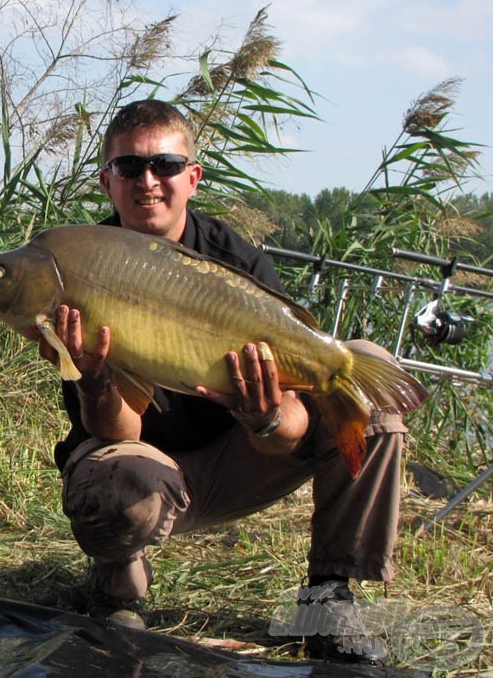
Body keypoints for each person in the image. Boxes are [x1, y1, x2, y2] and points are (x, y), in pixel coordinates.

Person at [38, 99, 403, 665]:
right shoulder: (81, 264)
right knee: (112, 475)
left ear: (193, 177)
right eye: (130, 168)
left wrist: (265, 415)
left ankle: (328, 601)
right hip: (145, 472)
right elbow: (116, 429)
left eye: (164, 165)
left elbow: (286, 434)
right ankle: (118, 589)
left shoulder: (235, 263)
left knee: (364, 385)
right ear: (107, 181)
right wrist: (94, 378)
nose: (148, 181)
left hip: (242, 458)